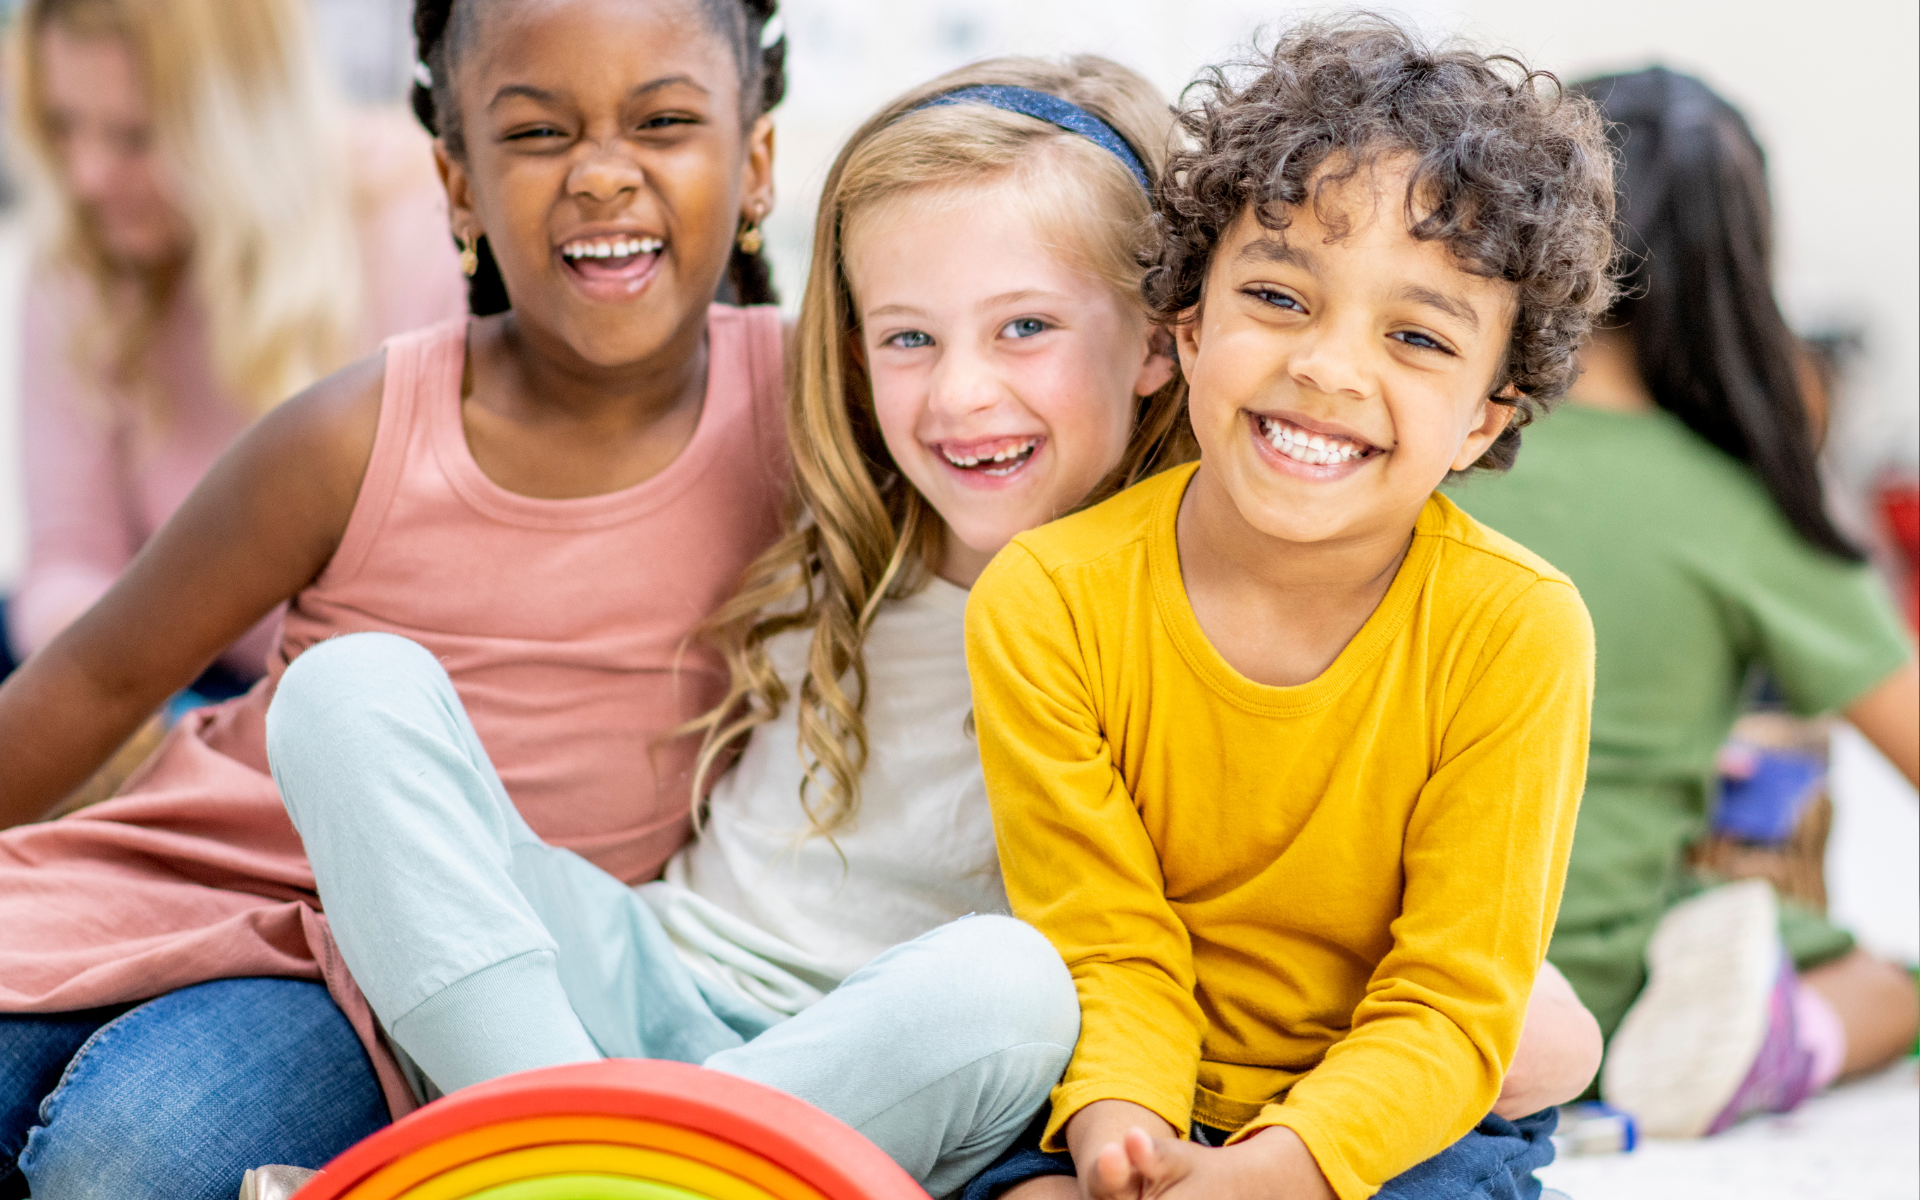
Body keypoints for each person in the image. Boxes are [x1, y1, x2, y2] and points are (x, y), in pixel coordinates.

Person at [265, 56, 1186, 1197]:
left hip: (872, 1073)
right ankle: (573, 1158)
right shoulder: (850, 533)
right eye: (909, 338)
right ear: (855, 351)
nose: (958, 395)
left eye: (1025, 327)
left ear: (1158, 340)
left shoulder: (1175, 612)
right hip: (618, 990)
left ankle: (563, 1171)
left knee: (1014, 985)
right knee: (347, 690)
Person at [0, 0, 788, 1194]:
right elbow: (100, 674)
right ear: (458, 184)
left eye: (664, 121)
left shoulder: (814, 406)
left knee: (130, 1153)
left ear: (758, 160)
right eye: (535, 135)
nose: (601, 174)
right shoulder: (358, 431)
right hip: (184, 876)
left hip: (394, 974)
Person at [962, 18, 1617, 1200]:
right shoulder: (1047, 600)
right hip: (1131, 1083)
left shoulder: (1518, 629)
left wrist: (1277, 1172)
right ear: (1193, 325)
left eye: (1417, 336)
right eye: (1279, 295)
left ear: (1485, 417)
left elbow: (1451, 1002)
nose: (1329, 367)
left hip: (1400, 1121)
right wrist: (1125, 1141)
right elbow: (1108, 946)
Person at [1450, 66, 1920, 1138]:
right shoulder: (1740, 504)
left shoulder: (1437, 439)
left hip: (1375, 954)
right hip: (1586, 986)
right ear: (1739, 268)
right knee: (1897, 981)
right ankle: (1772, 1043)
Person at [2, 0, 467, 689]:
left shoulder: (418, 233)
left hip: (369, 693)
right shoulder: (80, 254)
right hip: (168, 677)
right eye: (65, 126)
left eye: (135, 137)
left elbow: (448, 594)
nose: (87, 176)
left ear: (244, 131)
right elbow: (70, 557)